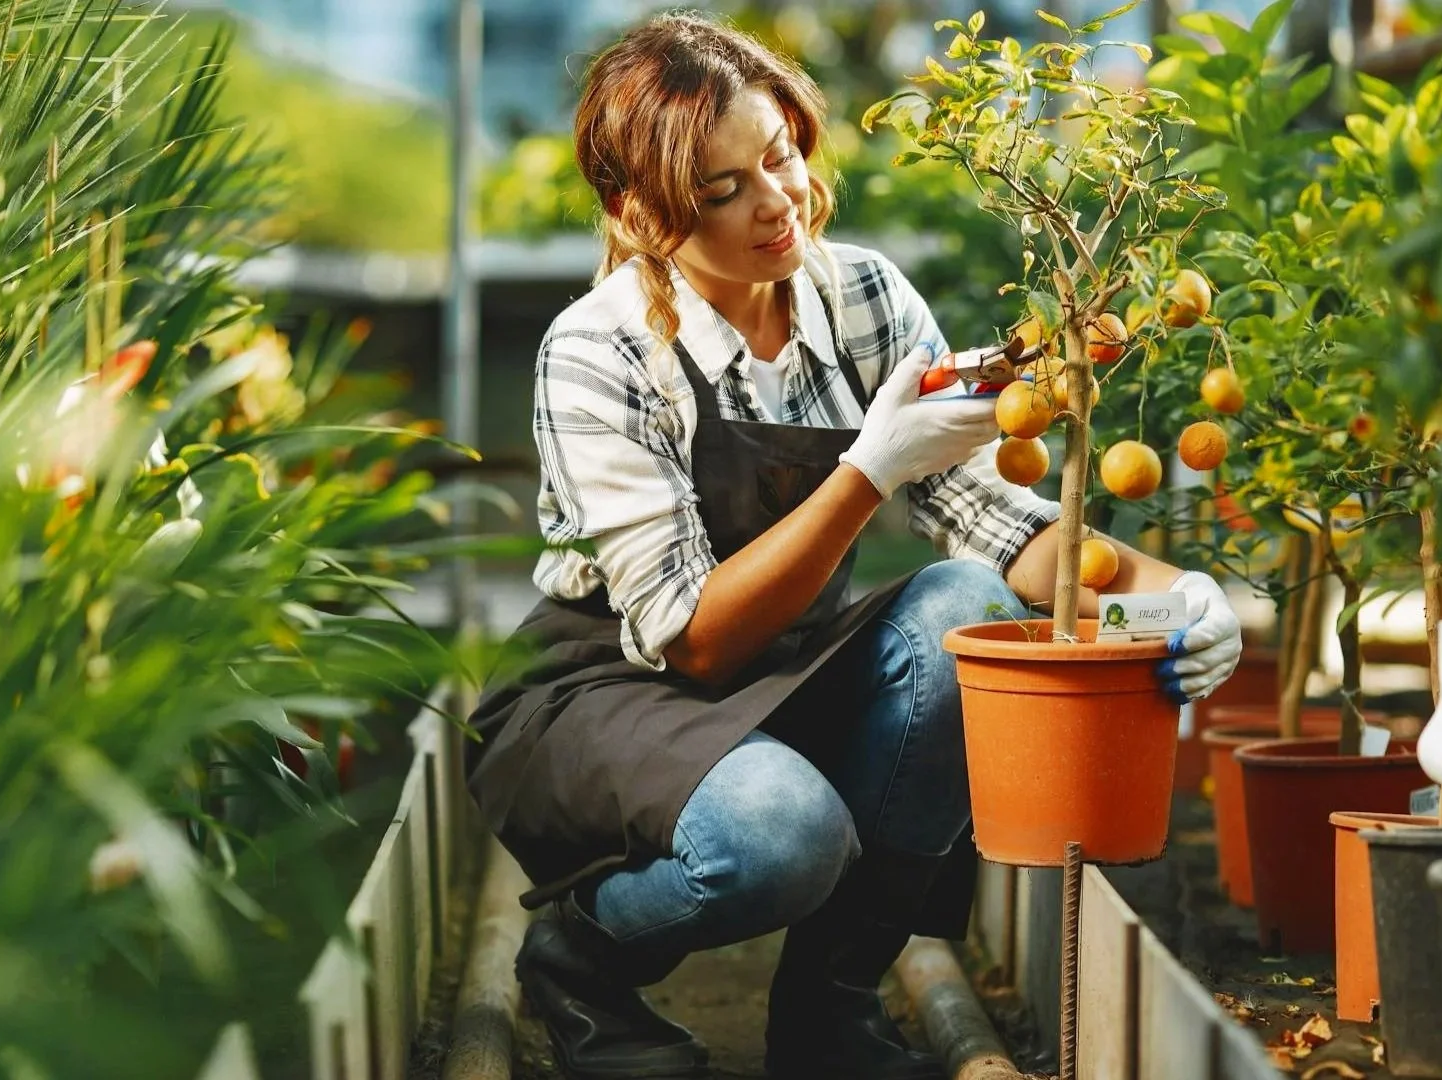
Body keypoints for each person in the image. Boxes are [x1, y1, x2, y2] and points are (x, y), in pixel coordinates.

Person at [464, 14, 1242, 1080]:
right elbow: (689, 639)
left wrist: (1172, 597)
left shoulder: (863, 297)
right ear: (640, 212)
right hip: (604, 684)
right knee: (783, 835)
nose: (776, 202)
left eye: (778, 154)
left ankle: (830, 1015)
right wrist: (868, 469)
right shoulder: (598, 352)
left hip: (779, 659)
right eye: (722, 190)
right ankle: (582, 959)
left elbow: (993, 520)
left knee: (961, 602)